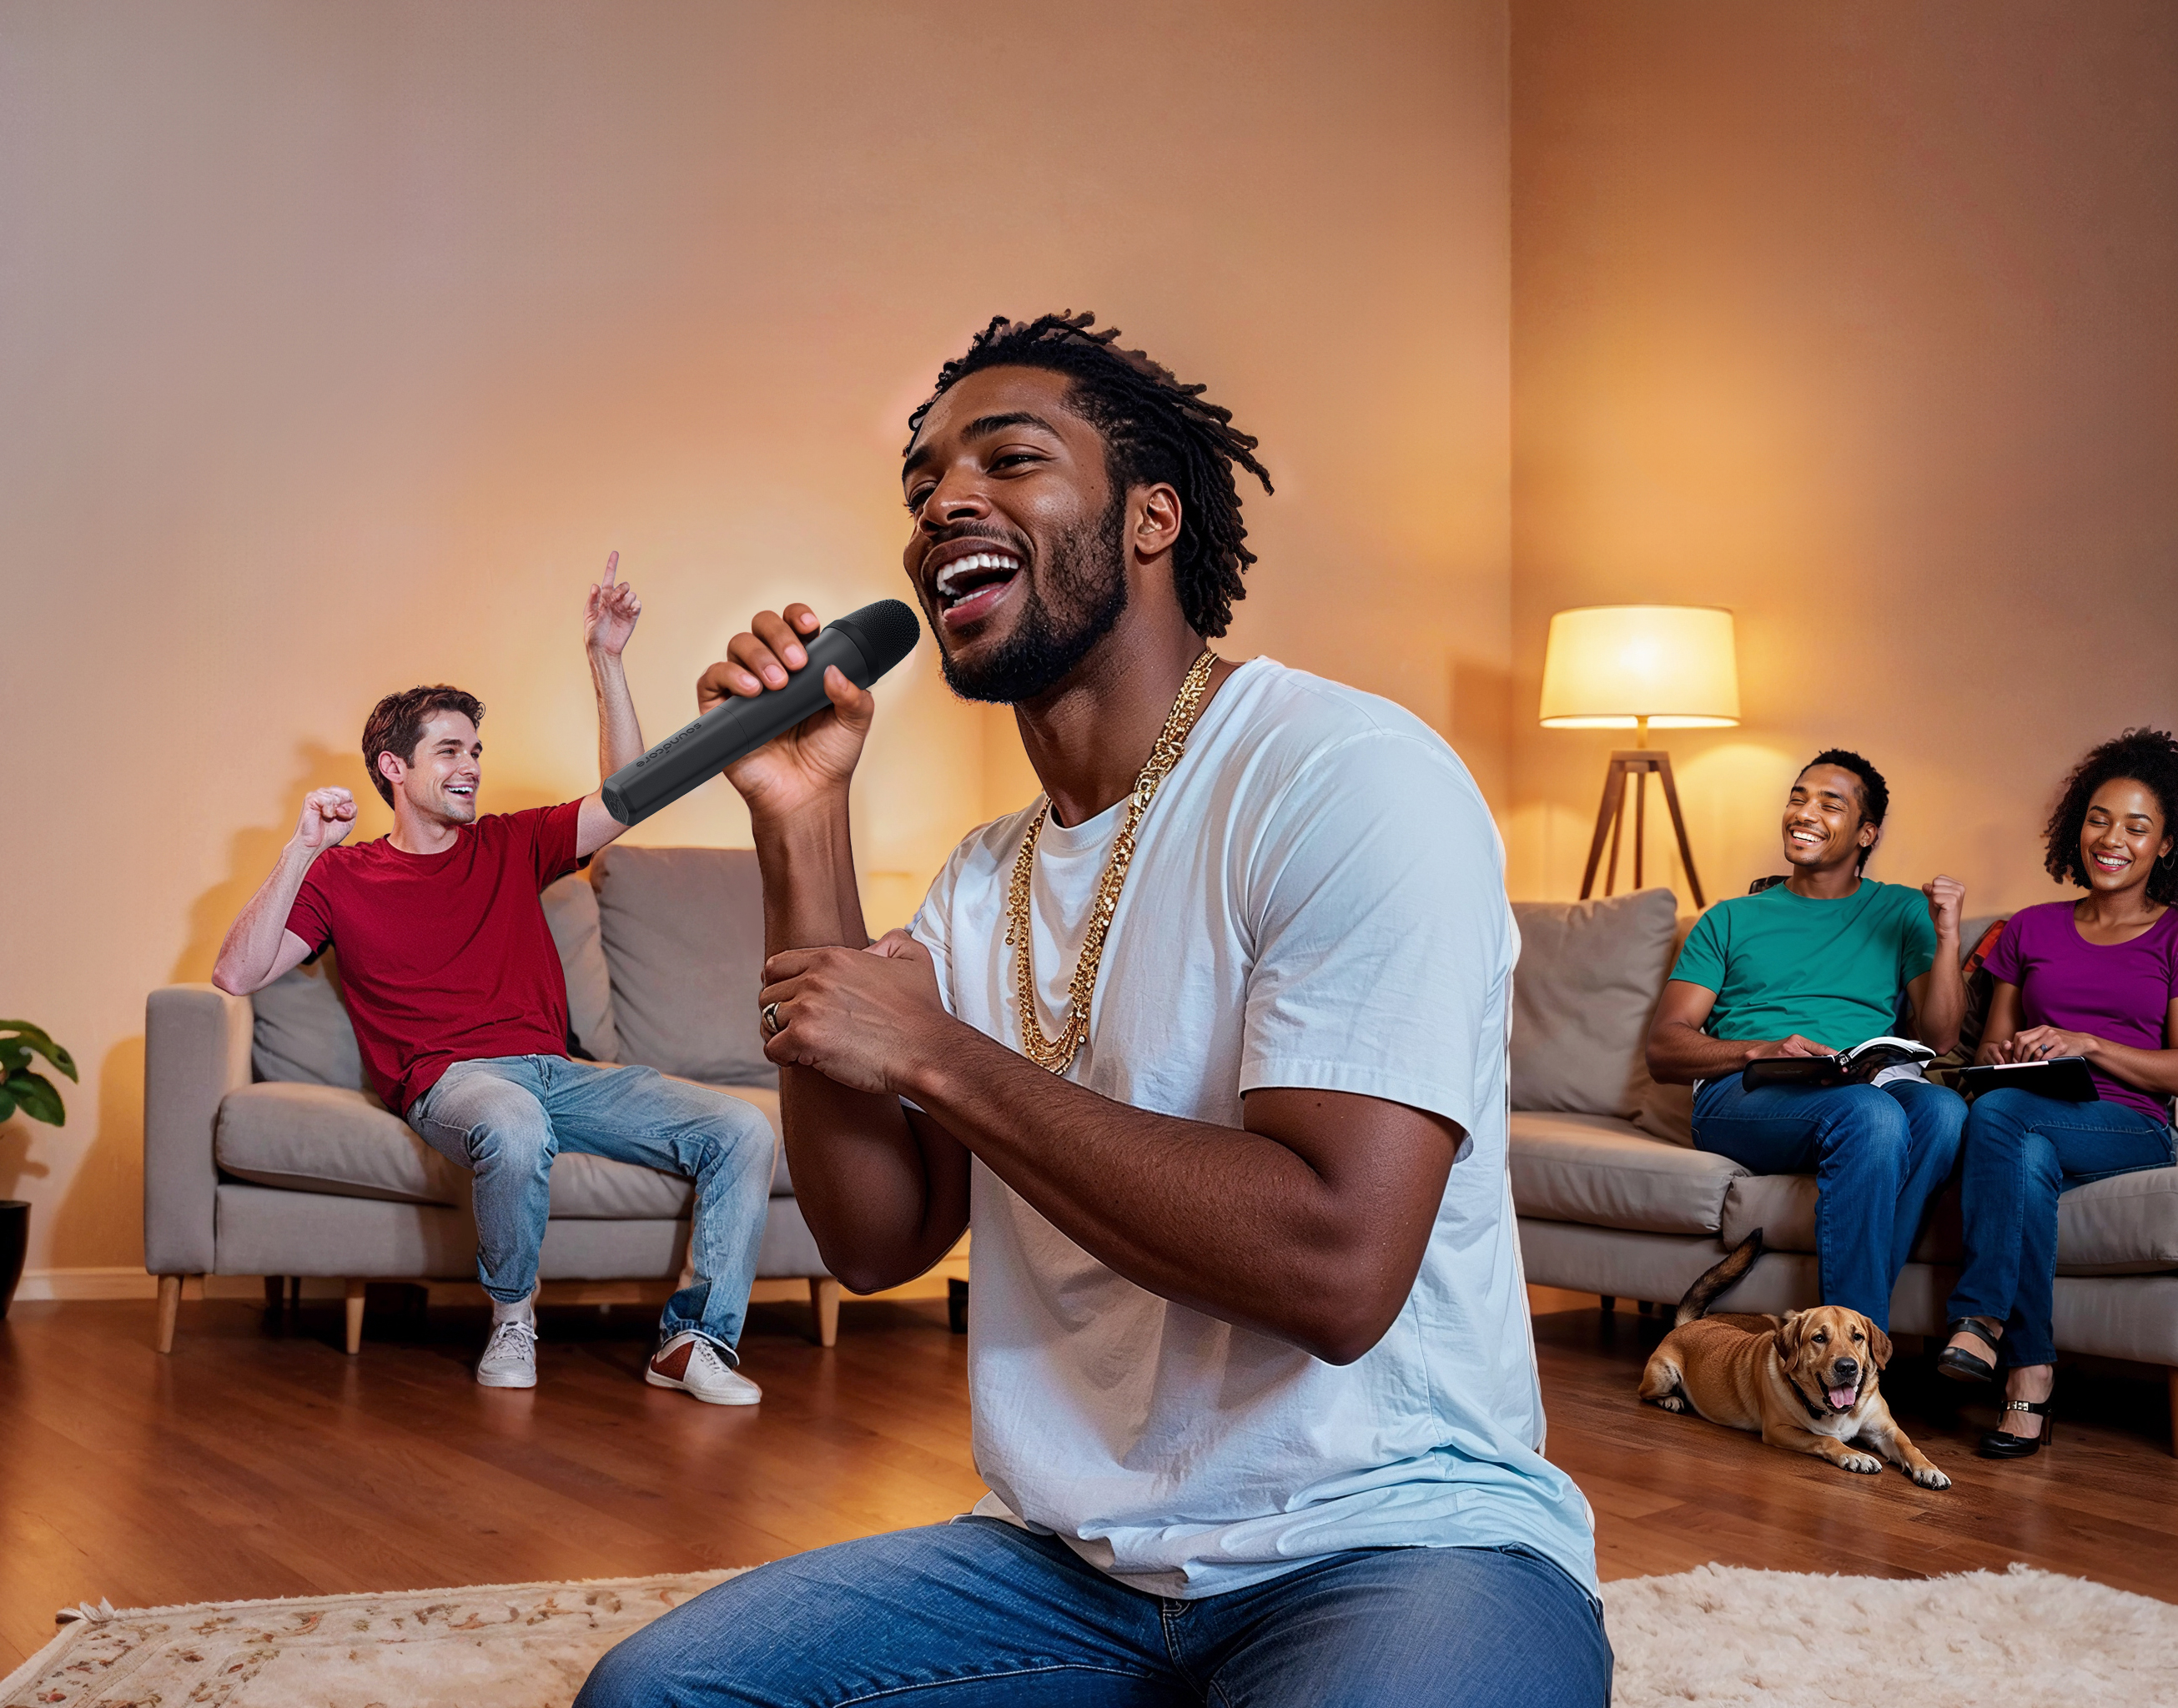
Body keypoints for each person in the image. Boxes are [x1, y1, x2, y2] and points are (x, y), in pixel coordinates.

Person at [581, 314, 1606, 1708]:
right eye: (925, 484)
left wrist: (938, 1052)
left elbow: (1337, 1266)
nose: (946, 501)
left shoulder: (1342, 775)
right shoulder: (979, 881)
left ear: (1150, 518)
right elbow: (878, 1239)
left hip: (1396, 1541)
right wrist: (802, 819)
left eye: (1011, 458)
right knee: (662, 1693)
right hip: (1072, 1567)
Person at [210, 557, 775, 1403]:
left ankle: (691, 1342)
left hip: (560, 1074)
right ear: (391, 767)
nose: (471, 764)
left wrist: (606, 660)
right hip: (450, 1082)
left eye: (475, 748)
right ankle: (514, 1317)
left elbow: (633, 794)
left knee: (740, 1126)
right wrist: (300, 848)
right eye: (449, 751)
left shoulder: (511, 842)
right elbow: (236, 970)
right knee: (509, 1120)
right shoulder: (343, 875)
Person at [1642, 751, 1969, 1326]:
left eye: (1828, 803)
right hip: (1744, 1092)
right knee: (1871, 1116)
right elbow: (1663, 1049)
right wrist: (1755, 1049)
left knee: (1942, 1111)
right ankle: (1854, 1359)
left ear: (1866, 833)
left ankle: (1844, 1340)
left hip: (1857, 1083)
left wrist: (1945, 937)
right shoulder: (1729, 919)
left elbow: (1941, 1035)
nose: (1804, 812)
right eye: (1797, 797)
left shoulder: (1897, 911)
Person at [1938, 729, 2178, 1458]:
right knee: (2020, 1148)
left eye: (2137, 827)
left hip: (2129, 1123)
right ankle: (2029, 1381)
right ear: (2076, 825)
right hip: (2033, 1115)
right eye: (2099, 819)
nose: (2111, 839)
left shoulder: (2171, 936)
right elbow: (1985, 1057)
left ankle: (1979, 1320)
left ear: (2164, 846)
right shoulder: (2030, 928)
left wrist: (2091, 1044)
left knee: (2005, 1121)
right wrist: (2013, 1051)